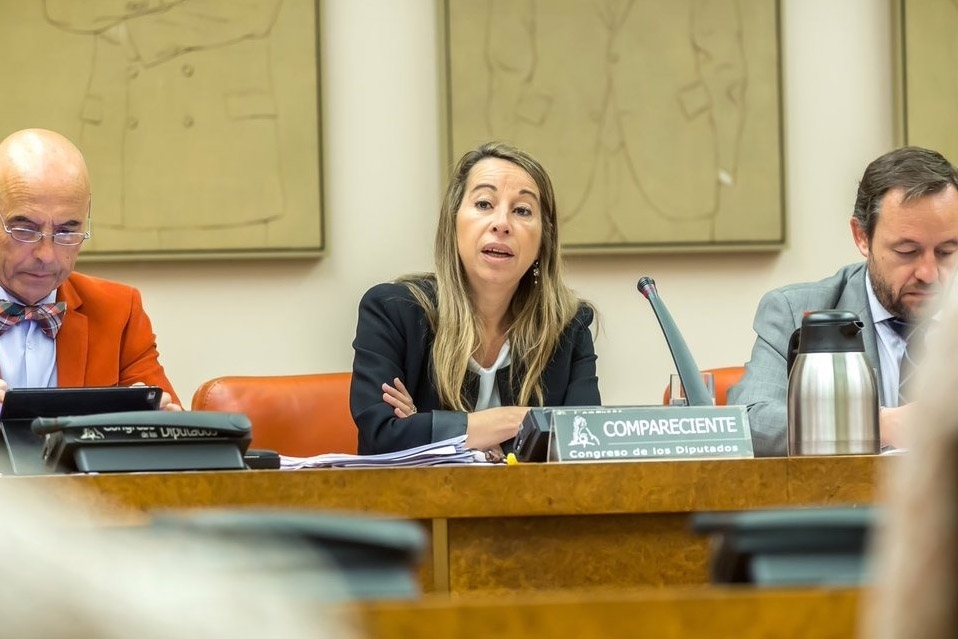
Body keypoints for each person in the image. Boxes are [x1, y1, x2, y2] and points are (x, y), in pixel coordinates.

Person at [350, 141, 601, 455]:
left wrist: (425, 424)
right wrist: (518, 420)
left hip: (533, 505)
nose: (501, 224)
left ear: (543, 239)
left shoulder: (568, 326)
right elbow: (382, 438)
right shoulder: (393, 312)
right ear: (453, 222)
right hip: (416, 504)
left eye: (522, 210)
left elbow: (583, 441)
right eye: (484, 204)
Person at [729, 146, 958, 455]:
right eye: (907, 251)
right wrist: (878, 426)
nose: (930, 273)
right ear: (862, 236)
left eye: (947, 251)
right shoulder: (795, 312)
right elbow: (750, 423)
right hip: (844, 500)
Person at [0, 128, 180, 408]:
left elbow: (171, 428)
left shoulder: (118, 312)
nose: (46, 255)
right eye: (25, 229)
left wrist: (163, 427)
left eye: (66, 231)